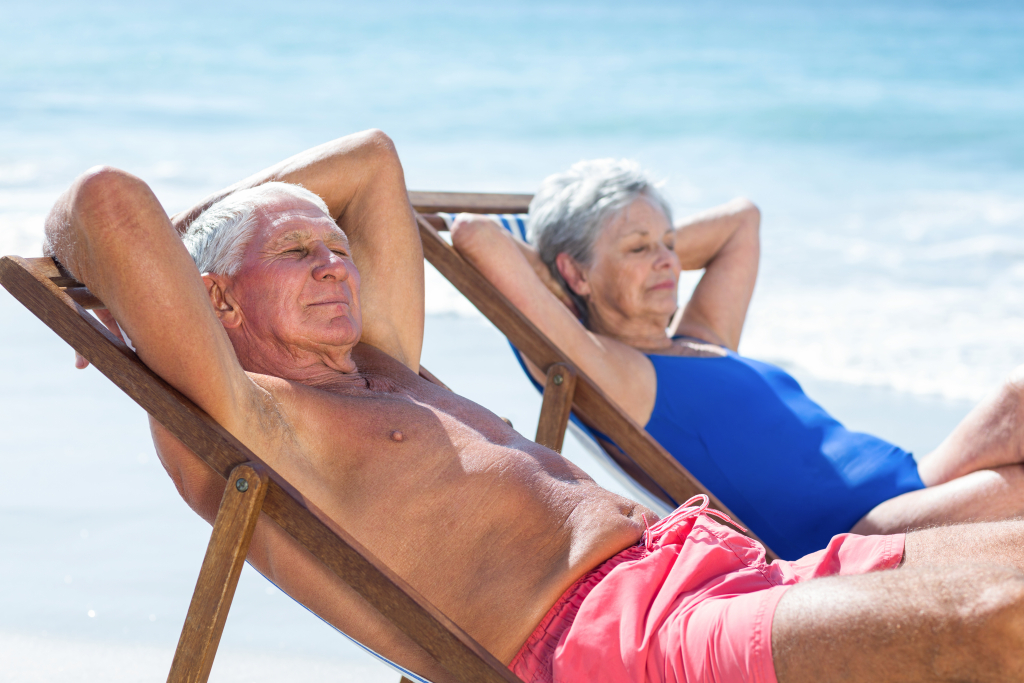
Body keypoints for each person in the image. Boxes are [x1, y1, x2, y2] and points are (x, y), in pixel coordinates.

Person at [42, 131, 1024, 683]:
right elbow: (96, 199)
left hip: (728, 570)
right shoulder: (253, 422)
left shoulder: (388, 370)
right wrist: (154, 273)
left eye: (334, 245)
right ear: (211, 302)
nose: (335, 259)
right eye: (298, 254)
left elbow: (374, 162)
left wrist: (247, 233)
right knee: (1000, 615)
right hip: (627, 647)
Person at [450, 158, 1024, 560]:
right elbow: (474, 236)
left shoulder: (701, 337)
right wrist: (574, 274)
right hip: (852, 536)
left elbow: (741, 220)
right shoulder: (619, 375)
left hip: (916, 483)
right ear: (571, 272)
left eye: (670, 244)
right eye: (639, 249)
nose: (667, 262)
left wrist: (633, 242)